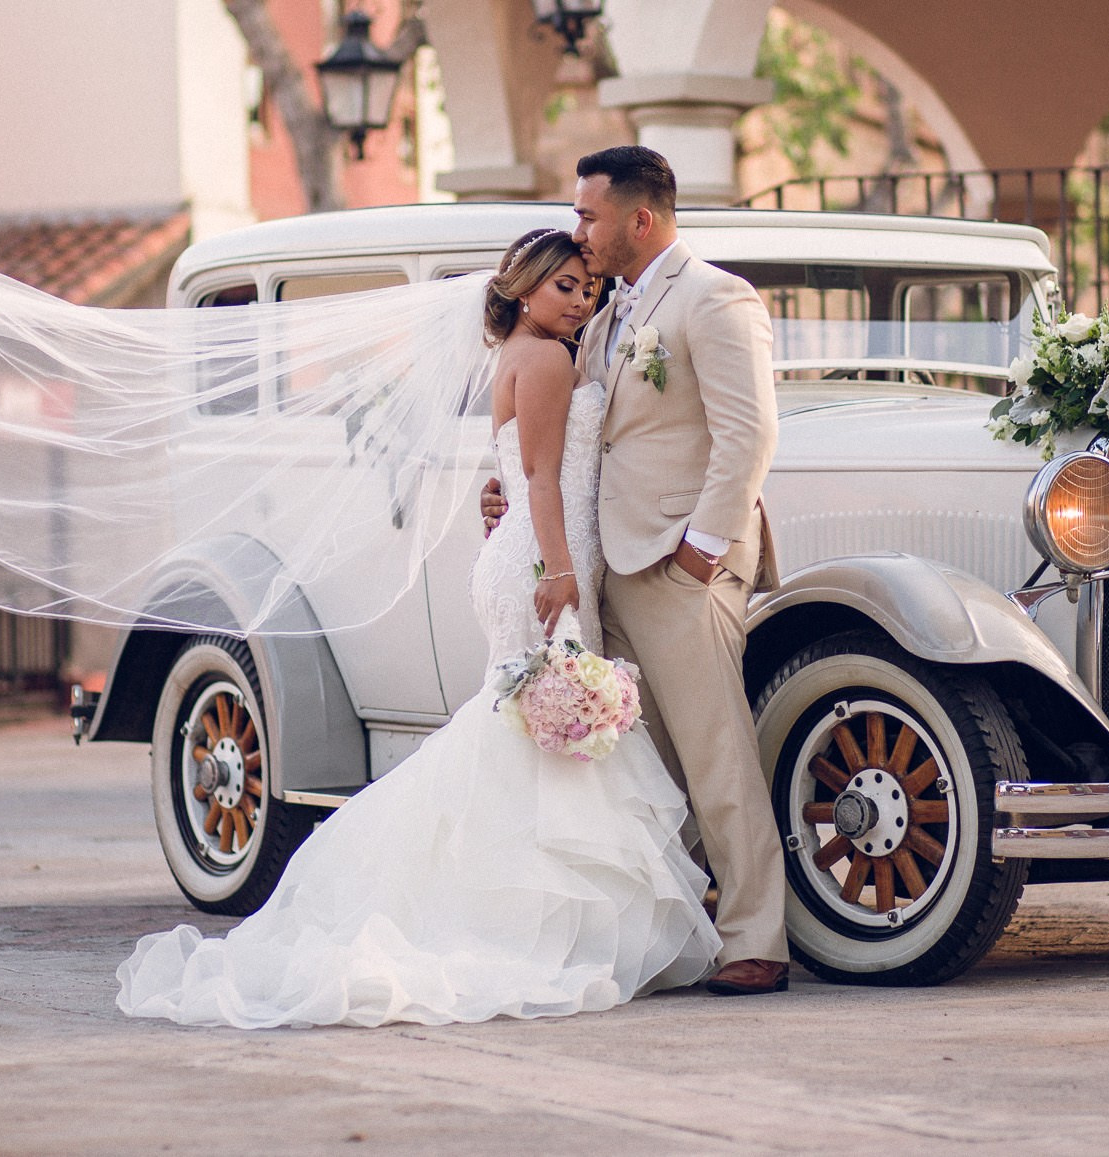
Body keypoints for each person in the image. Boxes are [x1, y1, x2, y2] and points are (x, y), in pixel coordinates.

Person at [114, 228, 721, 1027]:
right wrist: (560, 571)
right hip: (544, 562)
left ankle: (524, 911)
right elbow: (540, 476)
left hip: (528, 552)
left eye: (587, 288)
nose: (581, 300)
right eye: (564, 286)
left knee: (526, 735)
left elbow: (520, 469)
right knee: (539, 736)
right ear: (524, 290)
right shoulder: (546, 359)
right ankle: (535, 925)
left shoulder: (522, 353)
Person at [482, 146, 789, 995]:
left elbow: (749, 434)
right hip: (606, 563)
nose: (579, 230)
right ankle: (673, 927)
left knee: (715, 751)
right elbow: (570, 437)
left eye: (589, 215)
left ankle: (757, 937)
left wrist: (702, 548)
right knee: (641, 766)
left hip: (679, 561)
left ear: (639, 219)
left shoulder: (713, 298)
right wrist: (504, 486)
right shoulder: (608, 310)